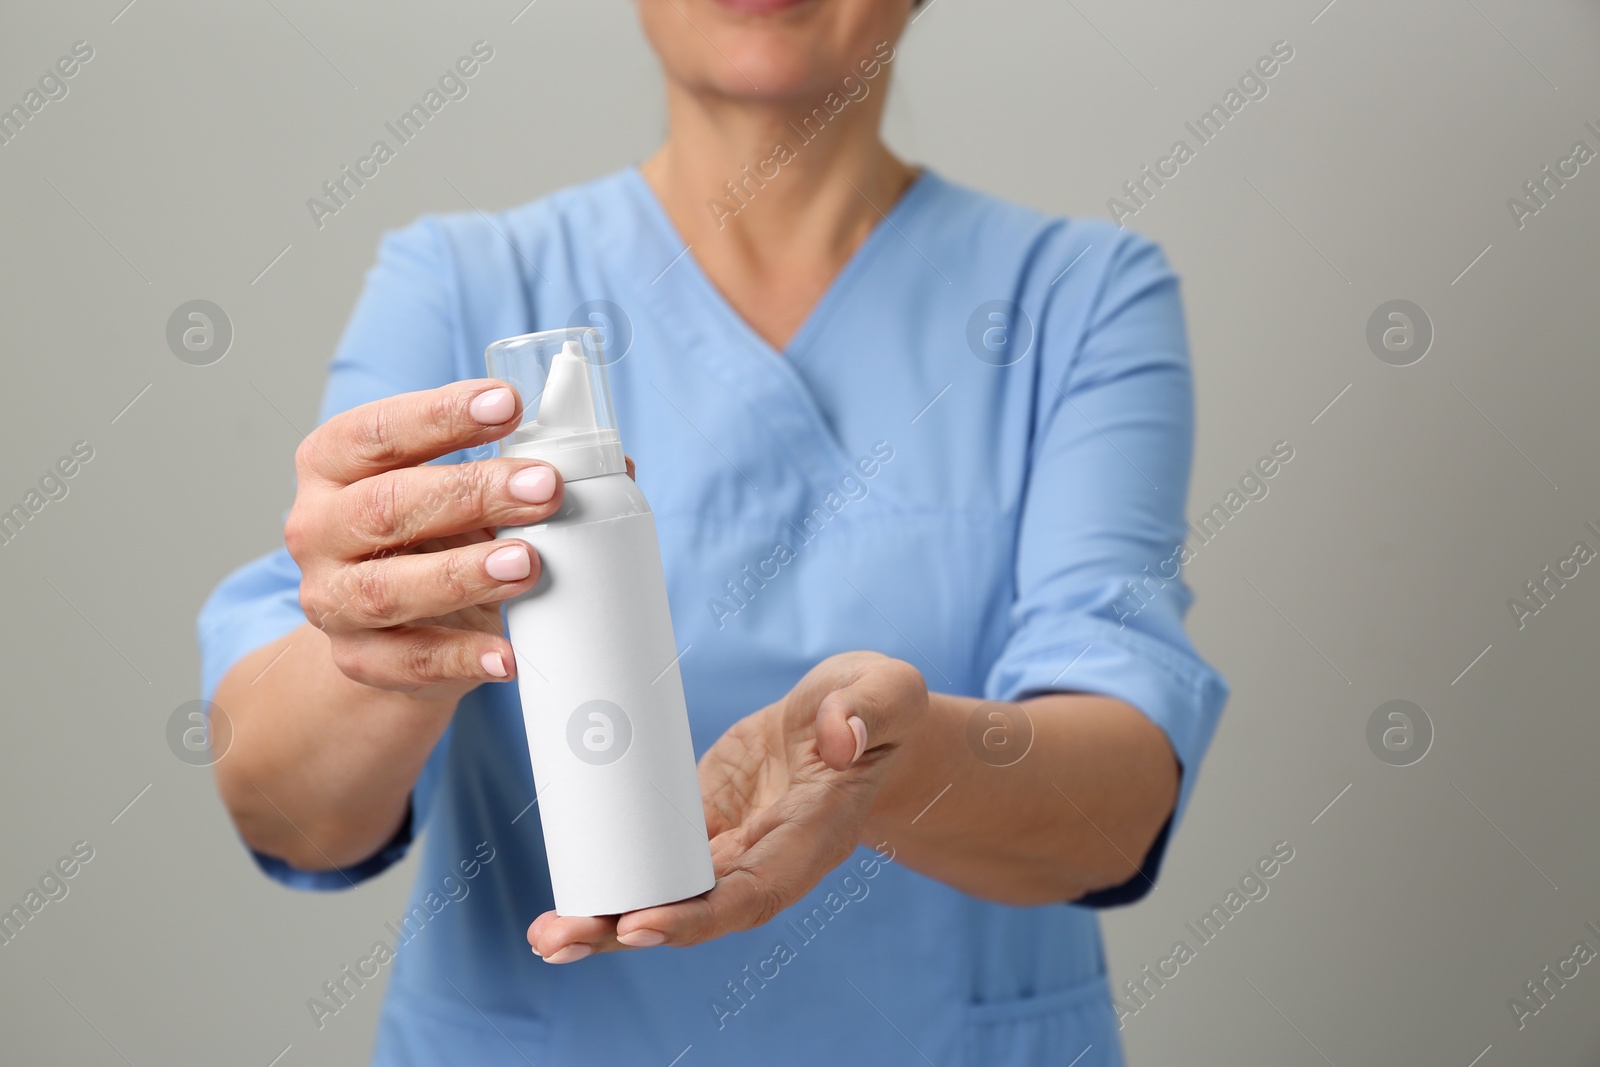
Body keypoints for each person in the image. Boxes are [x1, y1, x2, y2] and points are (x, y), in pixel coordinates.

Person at [197, 0, 1227, 1062]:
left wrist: (891, 759)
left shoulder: (1075, 298)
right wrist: (389, 643)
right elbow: (290, 811)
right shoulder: (461, 286)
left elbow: (1118, 803)